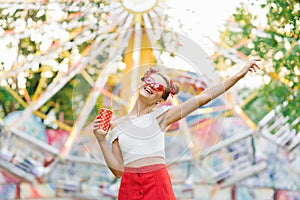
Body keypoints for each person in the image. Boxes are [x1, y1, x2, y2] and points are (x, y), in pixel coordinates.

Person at [93, 59, 261, 199]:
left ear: (159, 101)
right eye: (150, 81)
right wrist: (101, 140)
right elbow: (117, 170)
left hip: (156, 181)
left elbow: (203, 97)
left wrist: (240, 74)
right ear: (141, 85)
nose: (152, 86)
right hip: (129, 185)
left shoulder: (162, 117)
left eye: (158, 88)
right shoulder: (116, 125)